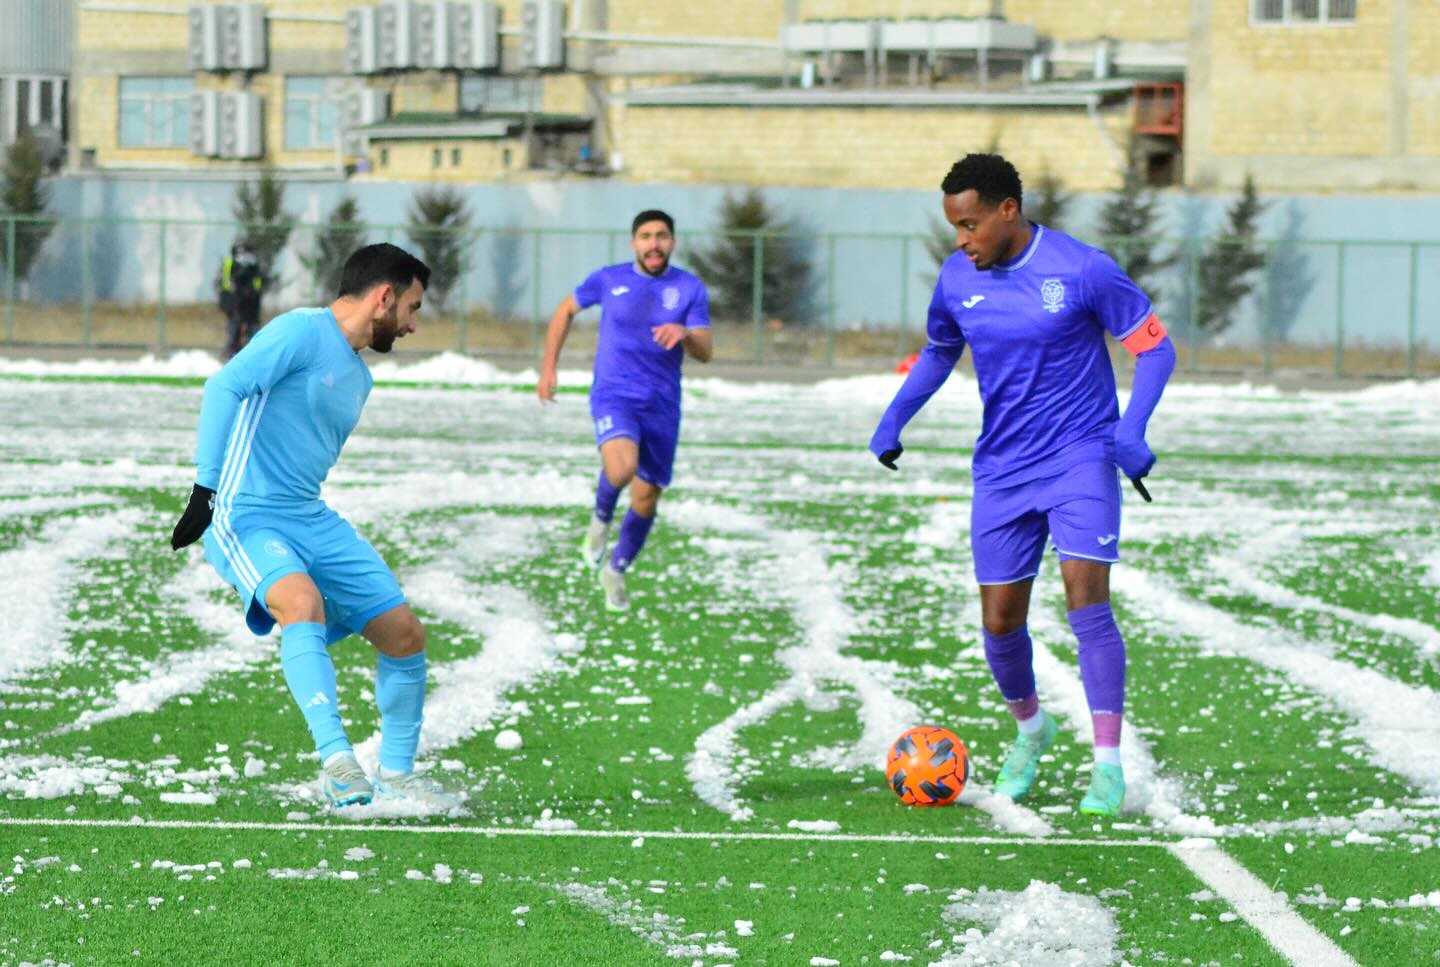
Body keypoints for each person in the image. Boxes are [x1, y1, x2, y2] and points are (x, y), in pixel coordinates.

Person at [868, 154, 1176, 817]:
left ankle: (1107, 766)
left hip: (1080, 454)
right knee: (999, 621)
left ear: (1009, 210)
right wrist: (896, 415)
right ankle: (1033, 730)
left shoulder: (1082, 267)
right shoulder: (957, 277)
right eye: (954, 226)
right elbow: (940, 350)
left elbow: (1156, 346)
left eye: (970, 224)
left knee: (1085, 596)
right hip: (1002, 467)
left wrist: (1132, 427)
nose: (962, 240)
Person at [170, 242, 461, 811]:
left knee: (405, 636)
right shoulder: (300, 331)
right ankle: (337, 764)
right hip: (245, 511)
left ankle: (398, 775)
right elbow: (223, 386)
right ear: (384, 297)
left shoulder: (360, 377)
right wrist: (205, 492)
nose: (413, 325)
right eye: (413, 308)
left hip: (308, 514)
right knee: (300, 603)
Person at [536, 210, 713, 612]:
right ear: (634, 243)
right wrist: (548, 368)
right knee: (621, 469)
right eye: (646, 236)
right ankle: (598, 526)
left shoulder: (689, 288)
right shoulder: (608, 279)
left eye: (662, 236)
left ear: (673, 242)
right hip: (615, 394)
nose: (654, 244)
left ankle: (615, 569)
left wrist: (685, 334)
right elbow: (564, 310)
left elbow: (706, 351)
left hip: (663, 404)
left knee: (647, 498)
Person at [218, 242, 265, 361]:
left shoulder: (255, 267)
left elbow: (261, 283)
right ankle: (231, 355)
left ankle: (253, 356)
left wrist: (253, 290)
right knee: (235, 331)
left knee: (252, 332)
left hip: (250, 305)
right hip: (235, 303)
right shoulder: (232, 265)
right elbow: (225, 283)